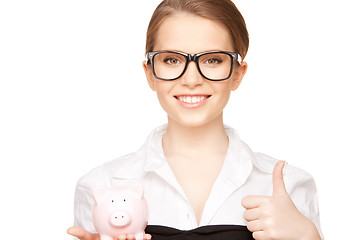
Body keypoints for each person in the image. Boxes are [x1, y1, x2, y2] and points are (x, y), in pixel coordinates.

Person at [67, 0, 323, 239]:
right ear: (150, 74)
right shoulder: (100, 185)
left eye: (212, 60)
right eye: (172, 60)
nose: (191, 80)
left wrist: (309, 237)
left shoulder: (290, 185)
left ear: (237, 74)